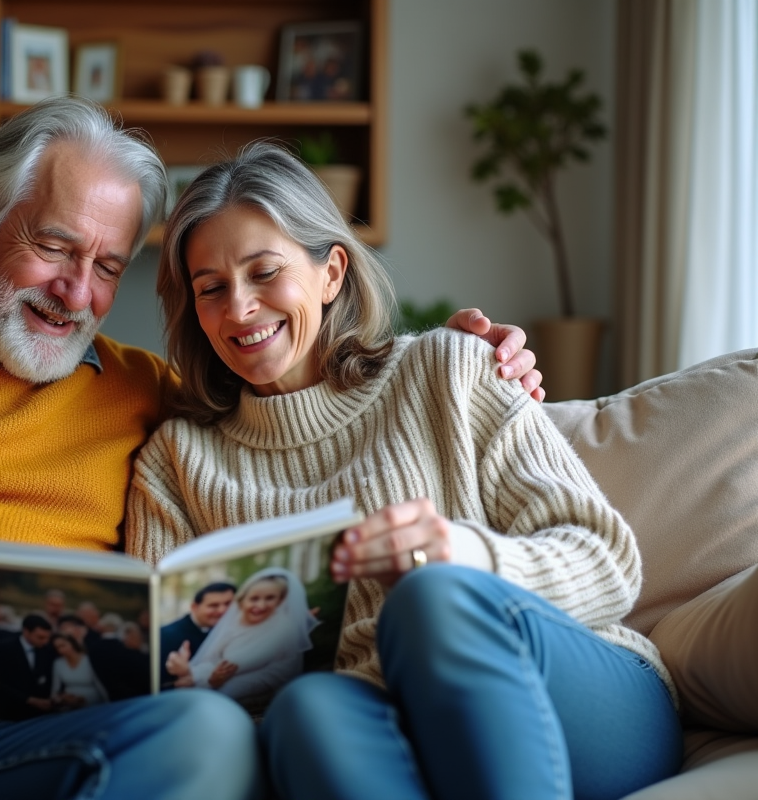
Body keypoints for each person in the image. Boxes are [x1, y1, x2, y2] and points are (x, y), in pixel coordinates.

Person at [0, 95, 539, 800]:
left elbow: (296, 404)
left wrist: (454, 353)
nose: (77, 292)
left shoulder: (144, 391)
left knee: (206, 733)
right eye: (53, 246)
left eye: (109, 266)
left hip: (8, 723)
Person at [125, 142, 683, 800]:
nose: (239, 309)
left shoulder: (447, 369)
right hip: (380, 720)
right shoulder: (177, 462)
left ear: (331, 272)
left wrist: (466, 555)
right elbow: (167, 683)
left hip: (576, 697)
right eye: (210, 289)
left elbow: (608, 562)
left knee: (431, 595)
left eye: (264, 272)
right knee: (304, 711)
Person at [166, 569, 317, 701]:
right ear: (242, 600)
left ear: (280, 600)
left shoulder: (283, 628)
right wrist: (189, 671)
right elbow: (215, 660)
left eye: (270, 598)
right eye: (254, 599)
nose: (261, 605)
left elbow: (233, 664)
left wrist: (193, 675)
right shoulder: (235, 621)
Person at [158, 581, 235, 688]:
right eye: (213, 605)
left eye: (228, 604)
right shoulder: (166, 636)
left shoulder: (232, 629)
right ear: (194, 607)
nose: (222, 610)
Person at [0, 614, 56, 720]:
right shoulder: (4, 649)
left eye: (47, 638)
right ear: (26, 632)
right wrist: (29, 700)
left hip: (41, 713)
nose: (45, 641)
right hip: (10, 710)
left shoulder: (48, 650)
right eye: (40, 637)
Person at [50, 633, 110, 709]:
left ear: (72, 643)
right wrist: (57, 700)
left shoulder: (88, 660)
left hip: (92, 701)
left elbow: (99, 685)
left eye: (63, 645)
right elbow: (55, 688)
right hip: (69, 704)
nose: (61, 650)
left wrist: (107, 703)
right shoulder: (58, 663)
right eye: (57, 648)